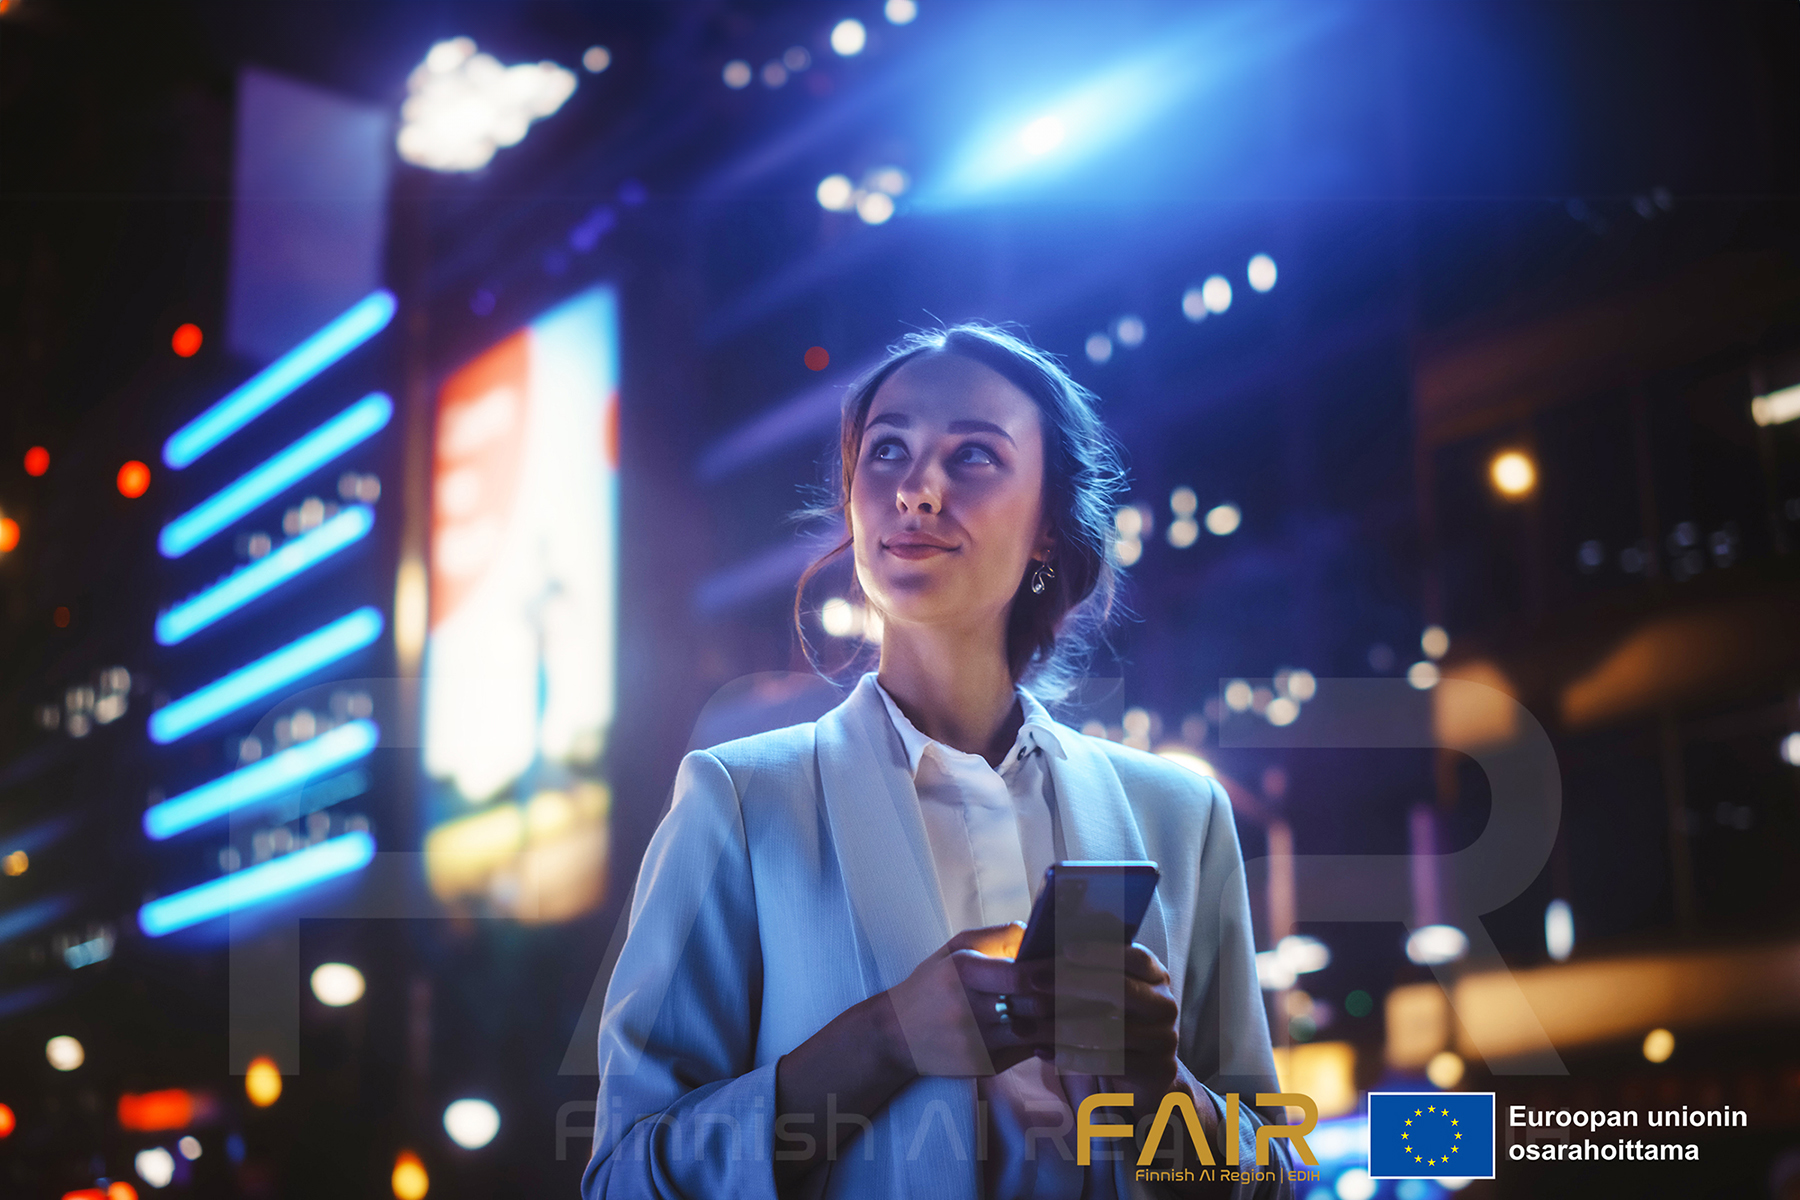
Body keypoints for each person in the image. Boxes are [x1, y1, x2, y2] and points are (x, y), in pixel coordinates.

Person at [583, 326, 1298, 1199]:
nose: (916, 489)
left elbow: (1269, 1179)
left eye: (974, 456)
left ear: (1047, 528)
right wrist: (885, 1039)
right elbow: (623, 1179)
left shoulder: (1181, 815)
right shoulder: (739, 799)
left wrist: (1158, 1087)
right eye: (887, 450)